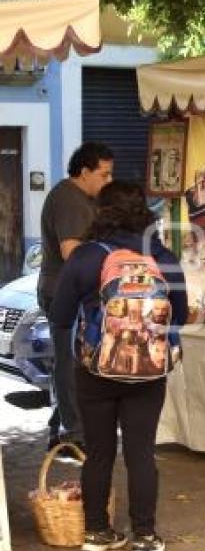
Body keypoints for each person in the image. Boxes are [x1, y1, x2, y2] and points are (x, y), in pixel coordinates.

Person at [50, 182, 188, 551]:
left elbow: (60, 316)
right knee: (141, 452)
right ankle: (144, 537)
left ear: (102, 212)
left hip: (95, 368)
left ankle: (97, 533)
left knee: (99, 453)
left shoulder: (86, 255)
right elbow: (183, 314)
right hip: (148, 370)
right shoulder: (162, 256)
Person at [37, 142, 114, 453]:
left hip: (72, 292)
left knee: (73, 360)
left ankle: (62, 427)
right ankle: (74, 431)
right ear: (84, 172)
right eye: (104, 175)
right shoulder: (69, 200)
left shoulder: (82, 197)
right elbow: (72, 252)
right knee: (70, 363)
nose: (108, 182)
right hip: (64, 294)